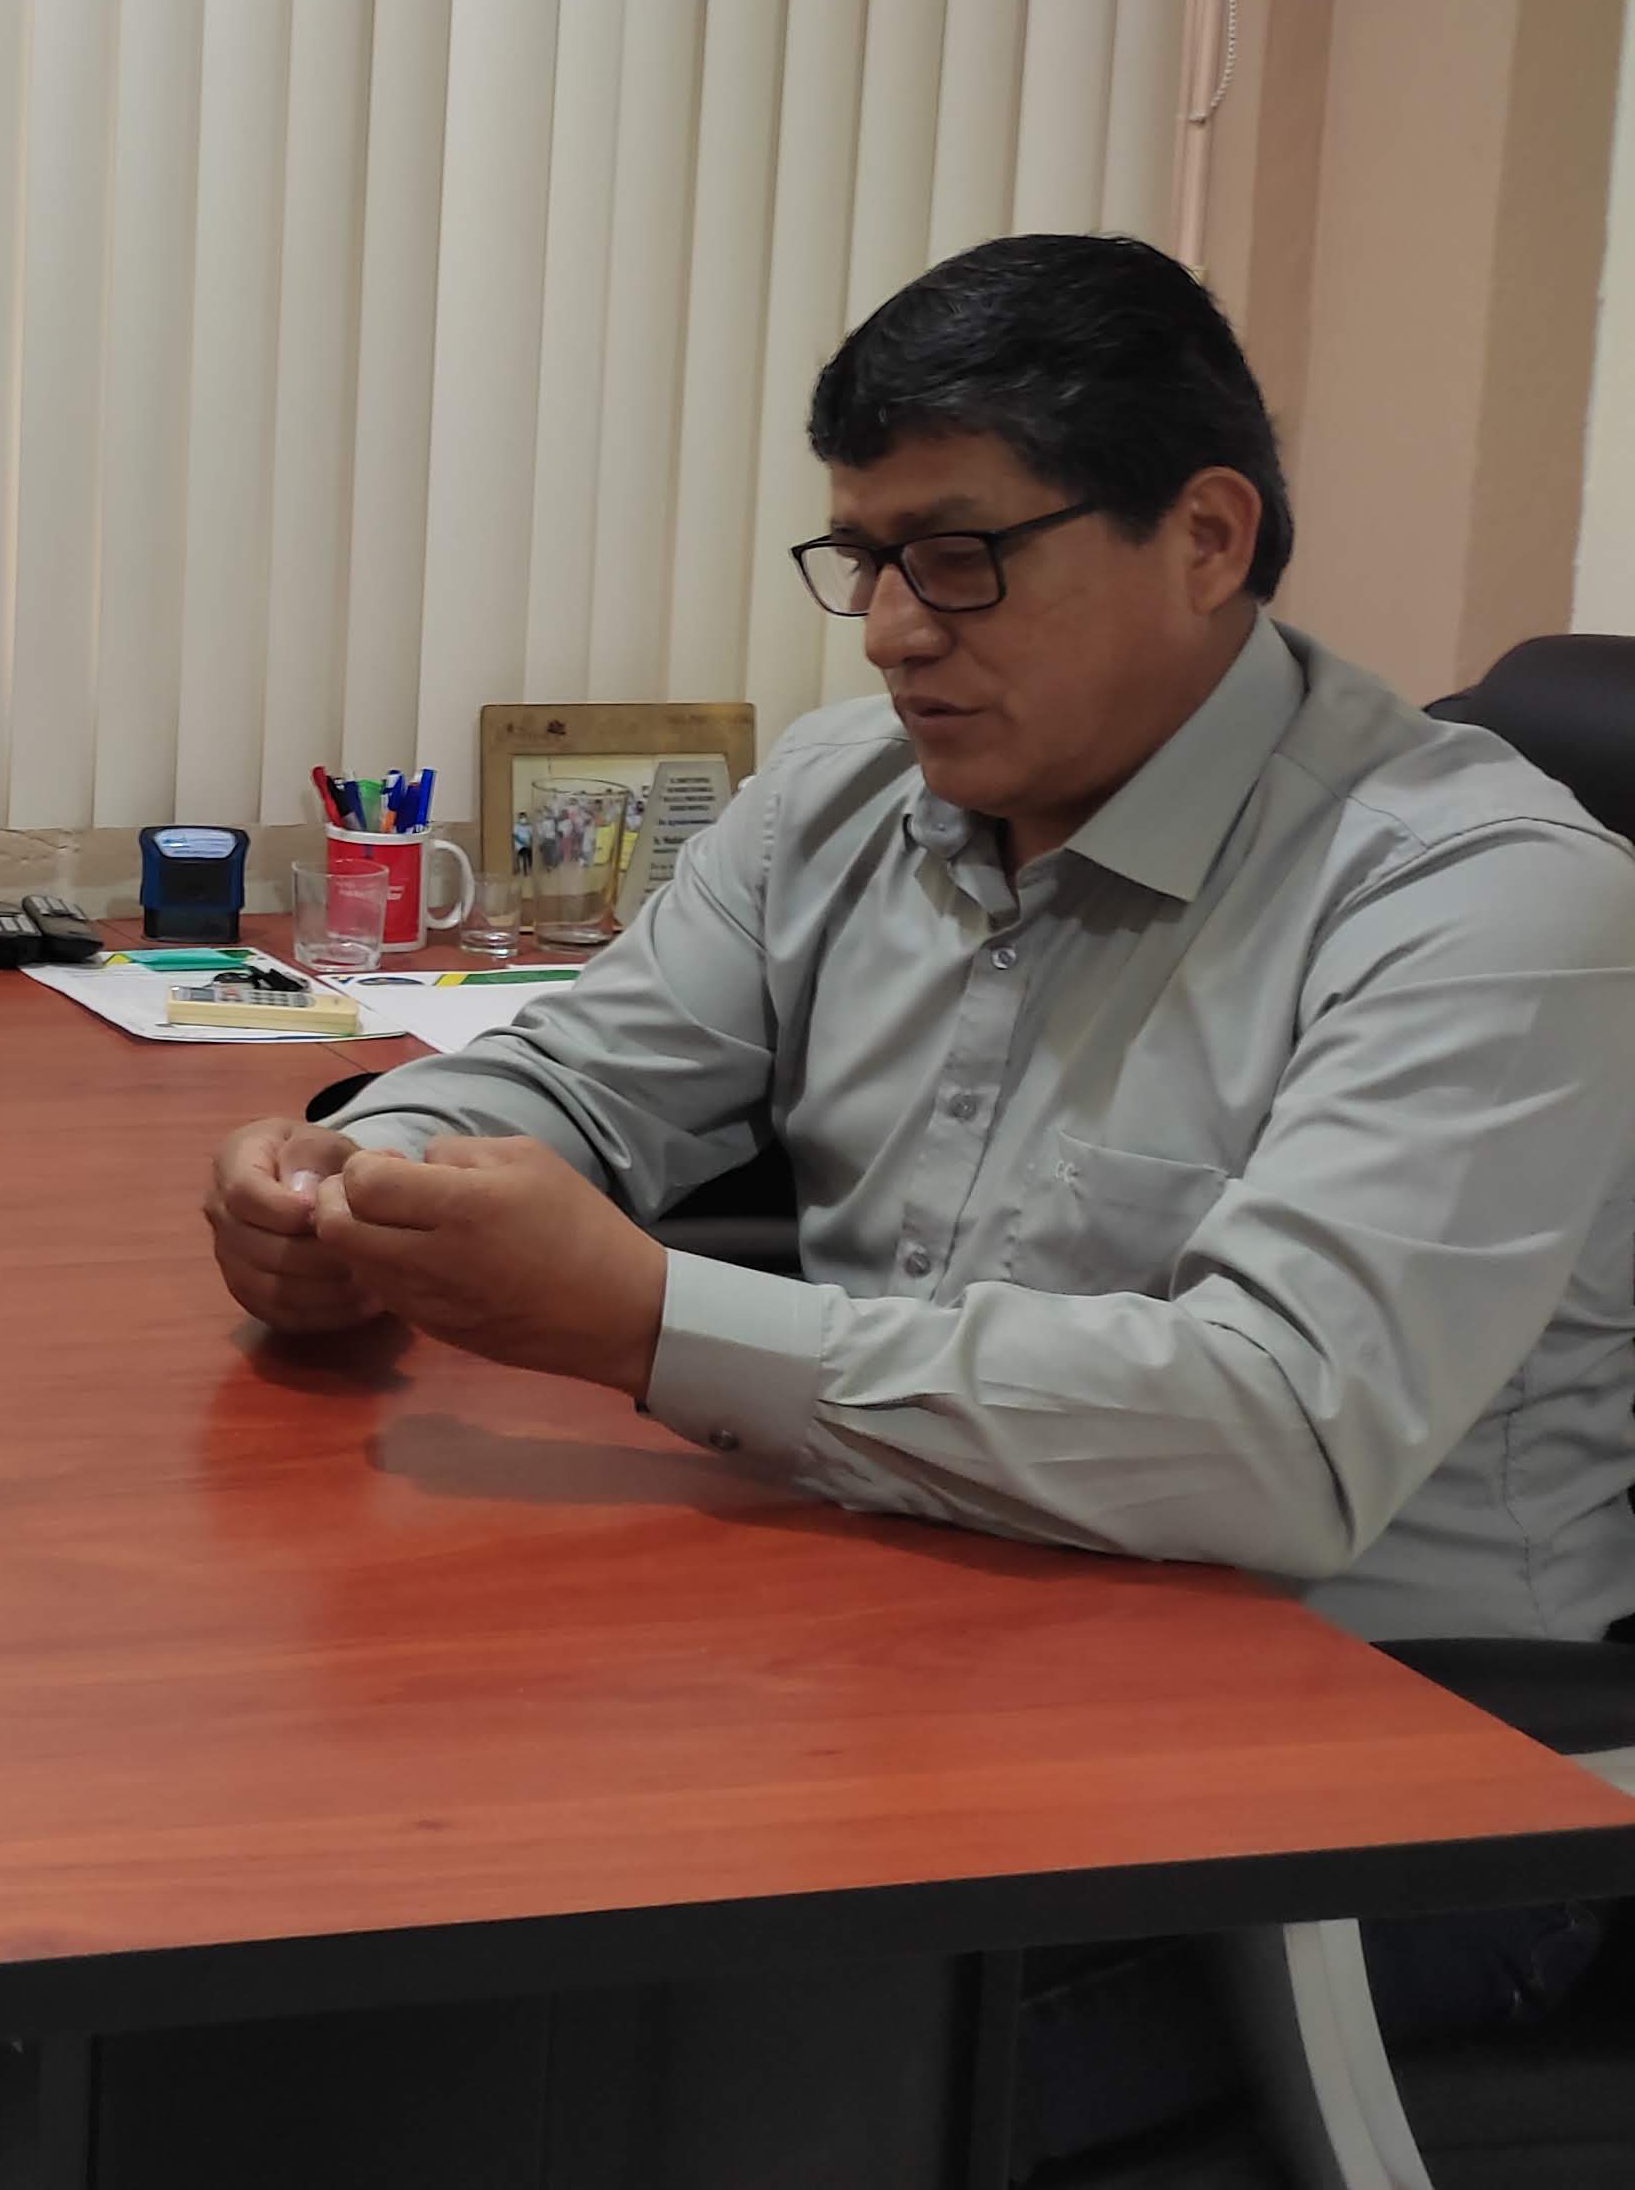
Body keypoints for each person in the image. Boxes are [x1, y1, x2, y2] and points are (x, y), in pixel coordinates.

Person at [200, 234, 1635, 2172]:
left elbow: (1277, 1433)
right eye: (861, 558)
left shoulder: (1479, 900)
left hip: (1378, 1786)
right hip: (928, 1667)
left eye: (956, 558)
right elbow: (584, 1070)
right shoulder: (839, 794)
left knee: (634, 2083)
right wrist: (357, 1173)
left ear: (1205, 538)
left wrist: (645, 1322)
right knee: (349, 1892)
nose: (887, 631)